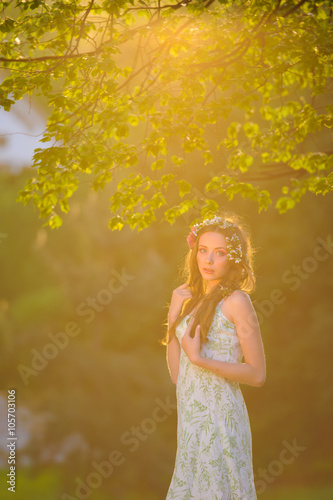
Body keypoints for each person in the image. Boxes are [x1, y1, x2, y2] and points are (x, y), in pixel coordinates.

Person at [163, 213, 266, 499]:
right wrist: (174, 313)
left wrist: (201, 360)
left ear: (232, 258)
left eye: (219, 253)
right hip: (191, 420)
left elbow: (257, 374)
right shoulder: (191, 301)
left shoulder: (236, 301)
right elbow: (177, 374)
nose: (208, 260)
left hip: (220, 418)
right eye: (203, 251)